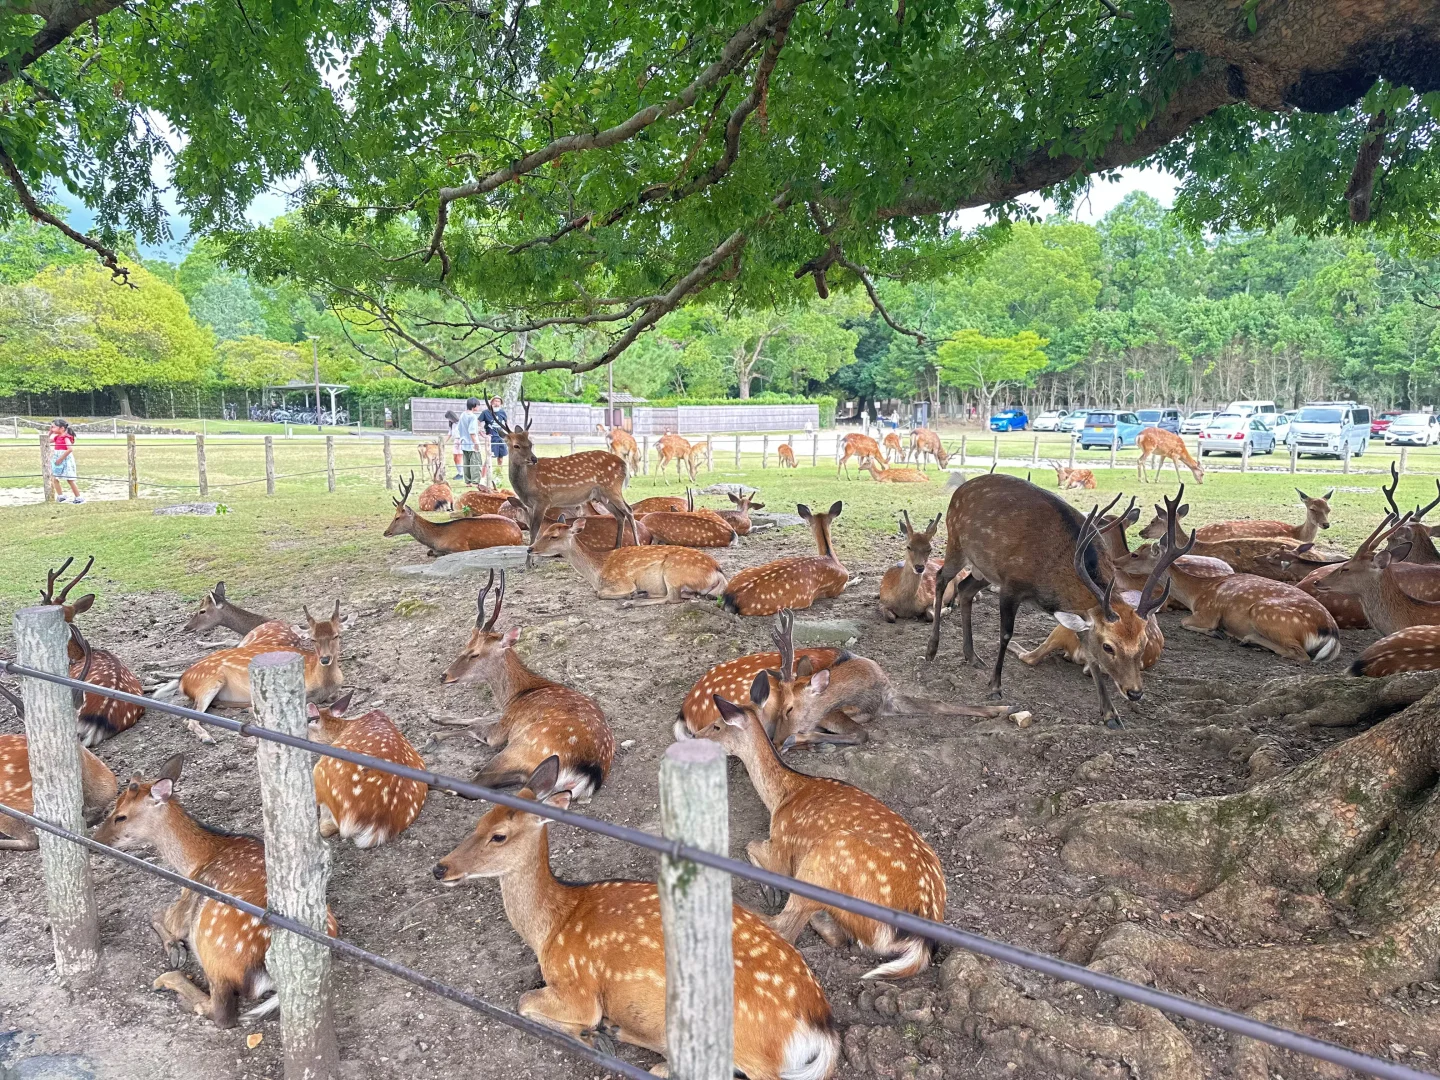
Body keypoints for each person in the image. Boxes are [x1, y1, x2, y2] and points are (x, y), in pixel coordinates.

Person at [49, 419, 83, 503]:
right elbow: (46, 441)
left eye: (53, 427)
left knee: (70, 479)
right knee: (54, 477)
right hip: (57, 459)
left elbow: (70, 449)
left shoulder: (66, 437)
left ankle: (78, 497)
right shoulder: (57, 437)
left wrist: (61, 458)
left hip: (65, 459)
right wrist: (50, 433)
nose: (52, 428)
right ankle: (61, 496)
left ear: (62, 428)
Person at [455, 398, 484, 484]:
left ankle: (467, 481)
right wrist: (476, 444)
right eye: (478, 405)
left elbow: (459, 428)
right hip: (471, 444)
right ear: (474, 406)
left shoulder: (463, 415)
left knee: (466, 463)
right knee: (475, 463)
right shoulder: (473, 417)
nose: (478, 407)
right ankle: (475, 481)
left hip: (464, 443)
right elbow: (472, 432)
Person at [478, 395, 509, 478]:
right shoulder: (485, 413)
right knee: (488, 458)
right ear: (491, 403)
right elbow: (478, 422)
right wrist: (482, 434)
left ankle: (499, 475)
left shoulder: (502, 412)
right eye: (495, 401)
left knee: (501, 458)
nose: (497, 403)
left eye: (498, 401)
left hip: (501, 438)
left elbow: (506, 424)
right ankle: (483, 478)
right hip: (491, 438)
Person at [445, 409, 463, 479]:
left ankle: (462, 474)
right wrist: (444, 442)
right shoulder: (452, 424)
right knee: (455, 457)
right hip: (455, 441)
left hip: (461, 441)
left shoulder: (460, 423)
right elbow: (450, 433)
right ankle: (459, 472)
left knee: (459, 457)